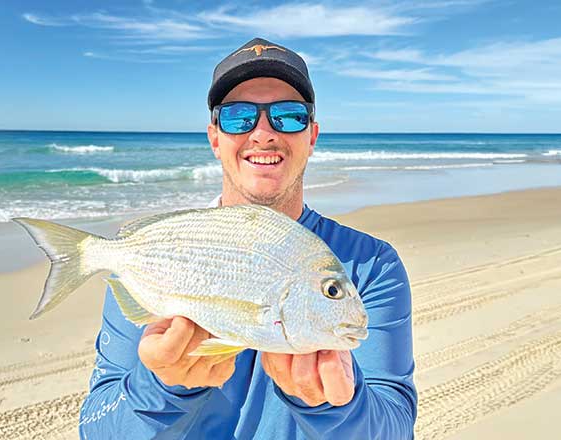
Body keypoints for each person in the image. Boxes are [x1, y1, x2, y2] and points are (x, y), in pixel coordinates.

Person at [79, 37, 417, 439]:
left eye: (288, 116)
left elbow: (395, 428)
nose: (262, 133)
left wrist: (335, 407)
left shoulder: (371, 265)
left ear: (311, 136)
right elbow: (97, 429)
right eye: (238, 117)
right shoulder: (157, 257)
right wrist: (163, 386)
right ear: (215, 138)